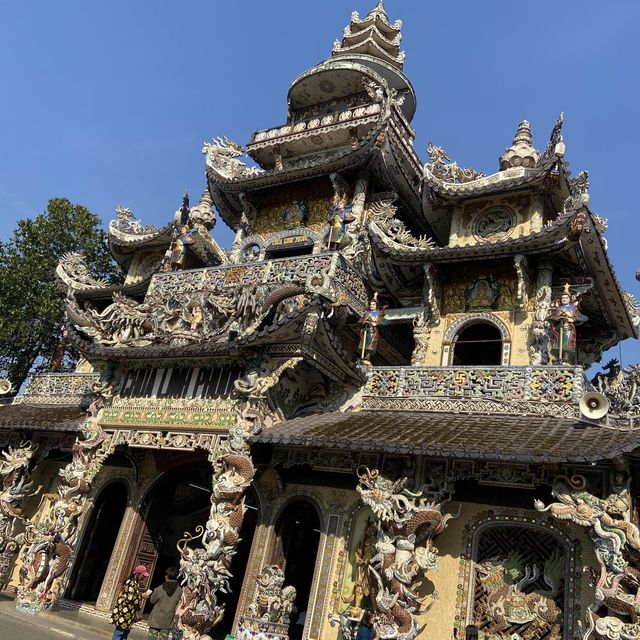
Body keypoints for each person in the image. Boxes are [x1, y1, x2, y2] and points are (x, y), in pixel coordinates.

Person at [110, 564, 152, 640]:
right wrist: (142, 596)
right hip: (124, 613)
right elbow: (130, 598)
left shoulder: (135, 583)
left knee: (125, 633)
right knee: (119, 633)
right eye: (143, 575)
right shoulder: (130, 582)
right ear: (138, 574)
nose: (144, 578)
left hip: (128, 613)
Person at [147, 566, 183, 640]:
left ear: (167, 576)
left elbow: (152, 601)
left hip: (155, 619)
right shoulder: (180, 590)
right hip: (168, 620)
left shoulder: (160, 588)